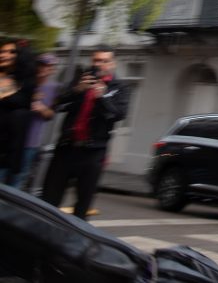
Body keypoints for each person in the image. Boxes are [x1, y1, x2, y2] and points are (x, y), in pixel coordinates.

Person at [41, 47, 130, 219]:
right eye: (96, 60)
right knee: (49, 198)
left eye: (104, 61)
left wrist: (103, 97)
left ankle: (74, 240)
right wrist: (77, 90)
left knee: (83, 202)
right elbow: (57, 103)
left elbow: (118, 115)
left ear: (113, 64)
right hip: (67, 147)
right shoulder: (81, 80)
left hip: (93, 151)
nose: (99, 64)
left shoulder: (120, 88)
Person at [14, 53, 59, 191]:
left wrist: (42, 108)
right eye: (42, 65)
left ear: (53, 69)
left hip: (31, 142)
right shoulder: (23, 82)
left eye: (49, 66)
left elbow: (51, 114)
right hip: (11, 137)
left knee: (19, 179)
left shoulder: (54, 88)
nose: (45, 69)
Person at [0, 40, 33, 185]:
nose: (4, 55)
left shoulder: (25, 82)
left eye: (11, 52)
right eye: (2, 51)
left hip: (5, 149)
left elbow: (21, 103)